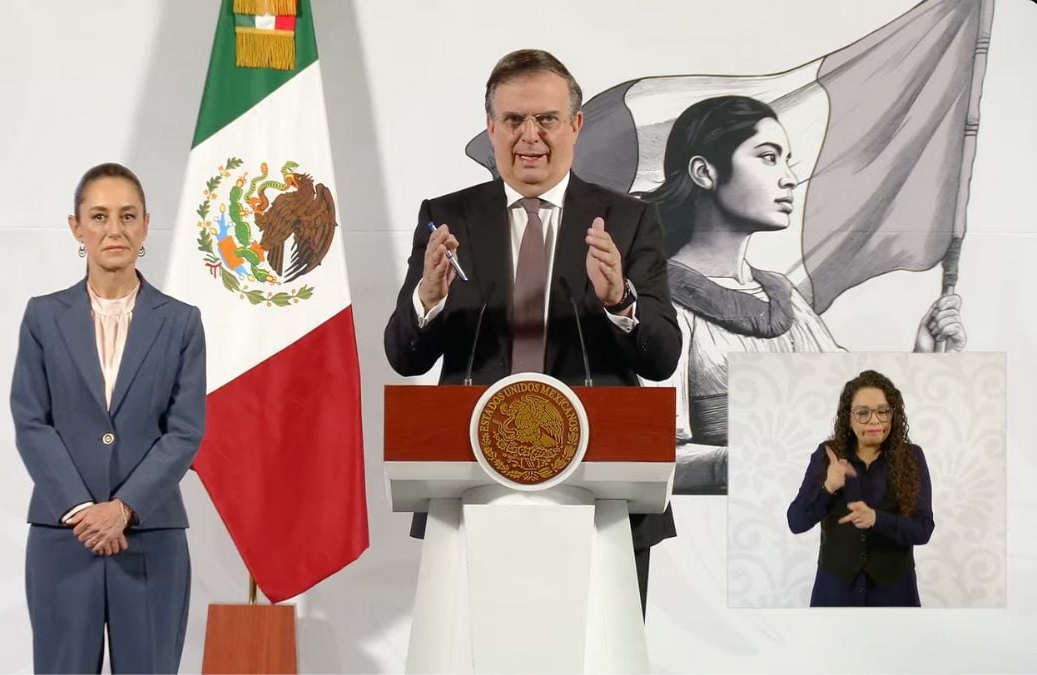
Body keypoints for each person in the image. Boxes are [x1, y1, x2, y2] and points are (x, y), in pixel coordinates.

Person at [383, 49, 682, 614]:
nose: (530, 136)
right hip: (474, 484)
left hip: (604, 487)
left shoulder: (627, 219)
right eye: (514, 120)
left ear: (575, 125)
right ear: (490, 128)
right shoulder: (449, 218)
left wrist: (620, 299)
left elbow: (662, 357)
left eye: (546, 119)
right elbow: (404, 355)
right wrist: (428, 299)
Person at [637, 95, 966, 494]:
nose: (790, 177)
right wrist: (764, 461)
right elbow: (648, 458)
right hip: (718, 535)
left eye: (787, 159)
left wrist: (924, 359)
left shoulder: (784, 297)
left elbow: (854, 413)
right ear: (704, 172)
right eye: (768, 157)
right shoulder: (657, 302)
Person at [10, 162, 206, 673]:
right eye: (98, 216)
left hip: (150, 537)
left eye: (127, 216)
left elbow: (184, 431)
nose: (113, 230)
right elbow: (31, 421)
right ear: (76, 227)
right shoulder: (43, 317)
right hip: (63, 536)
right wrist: (82, 509)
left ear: (145, 226)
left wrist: (123, 509)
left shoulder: (182, 322)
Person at [786, 369, 934, 606]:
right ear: (848, 417)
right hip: (835, 592)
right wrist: (828, 487)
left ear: (892, 415)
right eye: (863, 413)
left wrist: (876, 518)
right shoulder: (827, 455)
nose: (874, 420)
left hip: (895, 594)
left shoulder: (912, 457)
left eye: (883, 411)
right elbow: (796, 522)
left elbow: (923, 529)